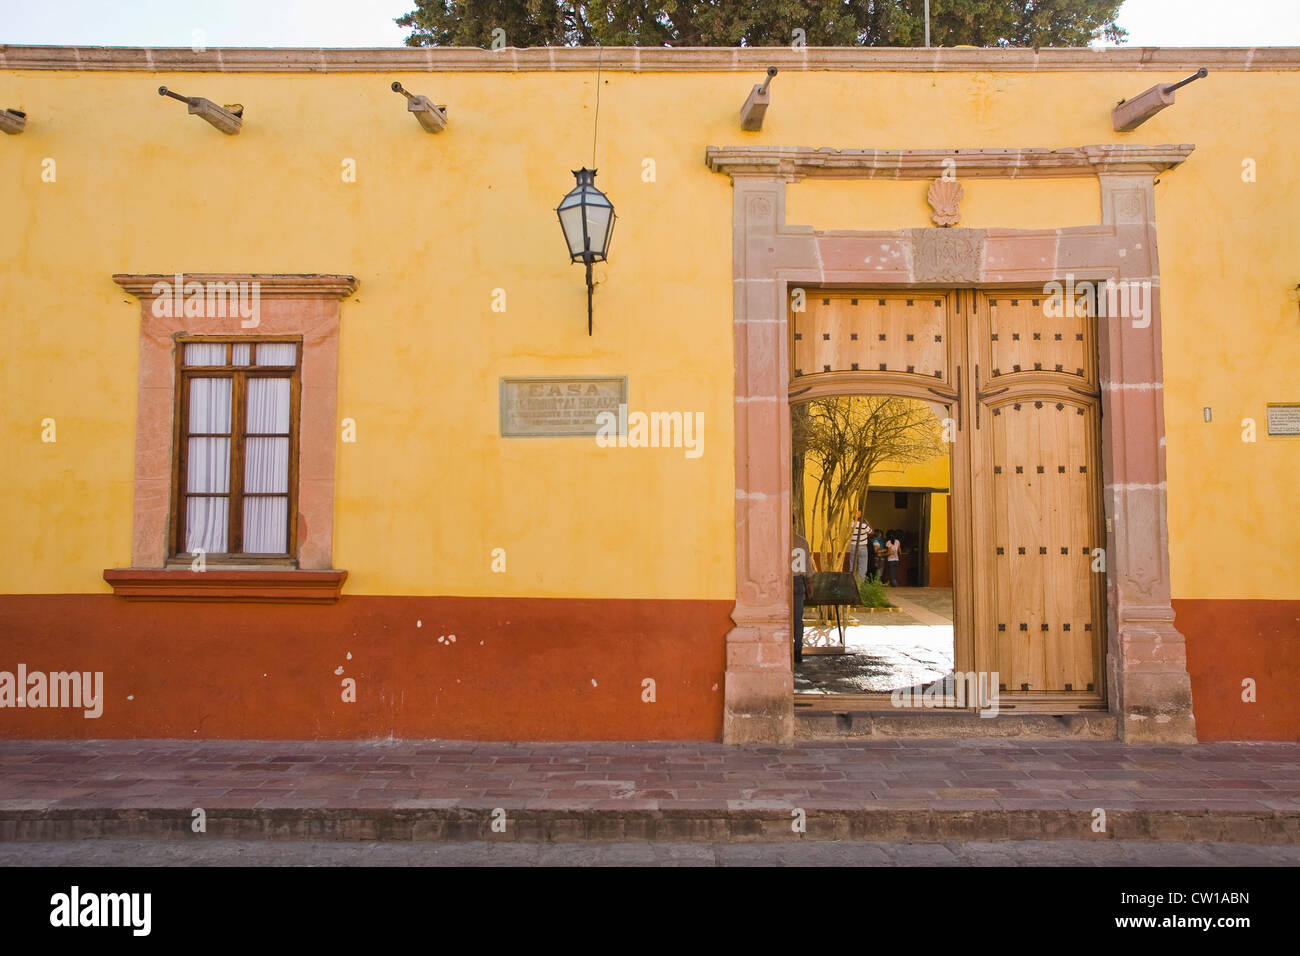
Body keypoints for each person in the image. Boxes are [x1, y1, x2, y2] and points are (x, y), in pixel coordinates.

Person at [791, 520, 814, 664]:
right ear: (794, 523)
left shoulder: (777, 540)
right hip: (798, 581)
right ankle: (798, 649)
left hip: (781, 583)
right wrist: (810, 586)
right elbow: (808, 566)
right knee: (797, 619)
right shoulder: (802, 541)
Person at [848, 511, 873, 583]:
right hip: (862, 547)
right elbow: (871, 532)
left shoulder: (849, 525)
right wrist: (867, 524)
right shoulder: (864, 525)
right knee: (862, 567)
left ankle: (852, 582)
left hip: (853, 546)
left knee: (852, 566)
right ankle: (860, 584)